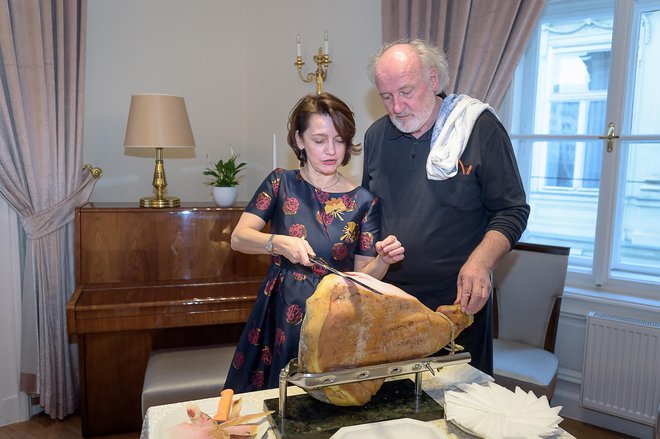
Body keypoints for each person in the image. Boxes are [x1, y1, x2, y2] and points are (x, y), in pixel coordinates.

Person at [361, 38, 530, 376]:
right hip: (390, 303)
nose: (396, 107)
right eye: (386, 97)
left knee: (458, 409)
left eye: (406, 92)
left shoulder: (479, 129)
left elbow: (512, 210)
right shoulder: (376, 136)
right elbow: (368, 211)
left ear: (434, 80)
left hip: (457, 304)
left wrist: (480, 264)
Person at [224, 92, 405, 393]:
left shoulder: (365, 201)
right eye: (320, 140)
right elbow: (239, 238)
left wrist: (383, 261)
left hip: (334, 320)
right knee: (272, 404)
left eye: (339, 140)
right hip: (280, 311)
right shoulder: (281, 182)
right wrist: (280, 243)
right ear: (299, 140)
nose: (331, 150)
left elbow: (361, 279)